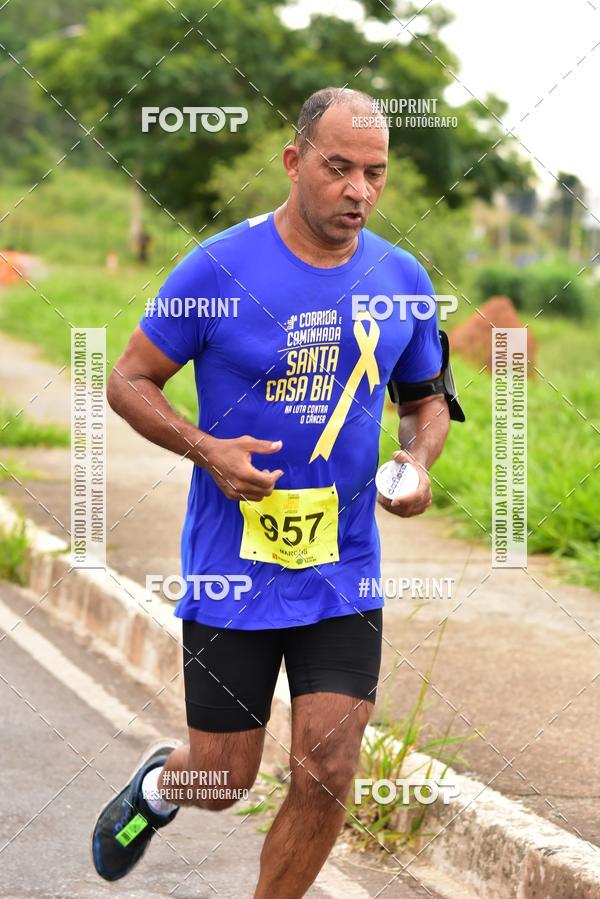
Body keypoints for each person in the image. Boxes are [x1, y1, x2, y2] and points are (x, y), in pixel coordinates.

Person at [93, 86, 458, 897]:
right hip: (235, 563)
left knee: (328, 766)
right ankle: (159, 785)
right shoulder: (220, 266)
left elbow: (425, 401)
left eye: (375, 173)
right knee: (222, 778)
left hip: (343, 564)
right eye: (338, 168)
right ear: (294, 163)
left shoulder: (402, 278)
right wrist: (205, 448)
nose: (358, 190)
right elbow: (128, 380)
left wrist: (418, 462)